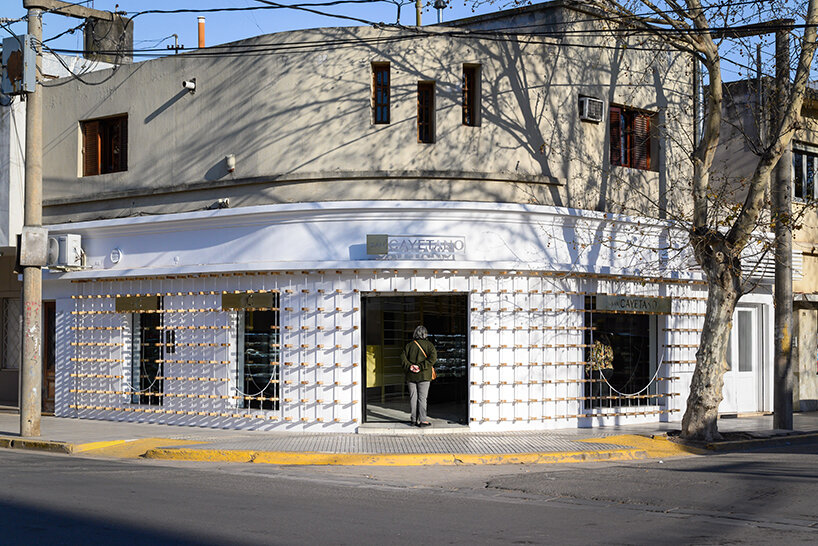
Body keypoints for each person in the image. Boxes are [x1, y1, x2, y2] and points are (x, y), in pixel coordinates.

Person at [401, 325, 437, 427]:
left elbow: (402, 359)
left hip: (411, 375)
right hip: (424, 376)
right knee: (422, 398)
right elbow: (433, 358)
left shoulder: (409, 345)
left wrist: (410, 367)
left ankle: (413, 420)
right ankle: (422, 420)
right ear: (425, 334)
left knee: (413, 397)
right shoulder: (430, 345)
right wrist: (421, 367)